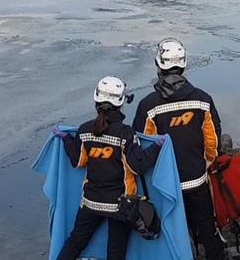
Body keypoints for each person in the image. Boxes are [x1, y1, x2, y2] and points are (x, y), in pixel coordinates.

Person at [133, 39, 225, 260]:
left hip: (165, 185)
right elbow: (212, 140)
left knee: (170, 232)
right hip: (195, 179)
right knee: (207, 228)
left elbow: (142, 147)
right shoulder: (202, 100)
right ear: (184, 65)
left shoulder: (149, 106)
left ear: (158, 67)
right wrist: (207, 163)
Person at [55, 77, 164, 260]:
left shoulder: (85, 130)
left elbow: (77, 161)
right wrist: (157, 146)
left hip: (91, 202)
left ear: (96, 101)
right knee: (116, 252)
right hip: (121, 206)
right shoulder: (125, 133)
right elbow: (137, 167)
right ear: (121, 103)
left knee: (75, 243)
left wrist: (66, 139)